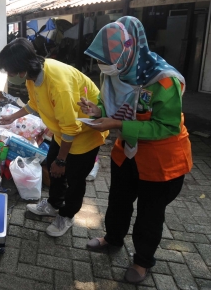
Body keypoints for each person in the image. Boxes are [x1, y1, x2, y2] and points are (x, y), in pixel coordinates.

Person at [78, 16, 192, 284]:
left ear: (128, 51)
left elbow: (167, 127)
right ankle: (112, 238)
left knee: (150, 215)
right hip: (126, 153)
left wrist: (116, 123)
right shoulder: (116, 73)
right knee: (118, 201)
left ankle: (142, 262)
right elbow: (112, 105)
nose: (102, 67)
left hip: (160, 161)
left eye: (107, 60)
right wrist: (98, 111)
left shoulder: (163, 81)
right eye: (99, 60)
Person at [0, 38, 108, 237]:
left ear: (22, 68)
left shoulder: (57, 83)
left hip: (84, 135)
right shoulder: (32, 76)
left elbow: (71, 127)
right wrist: (12, 117)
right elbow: (34, 104)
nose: (9, 76)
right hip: (61, 133)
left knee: (74, 179)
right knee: (55, 171)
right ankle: (53, 204)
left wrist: (62, 159)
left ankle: (67, 215)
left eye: (10, 72)